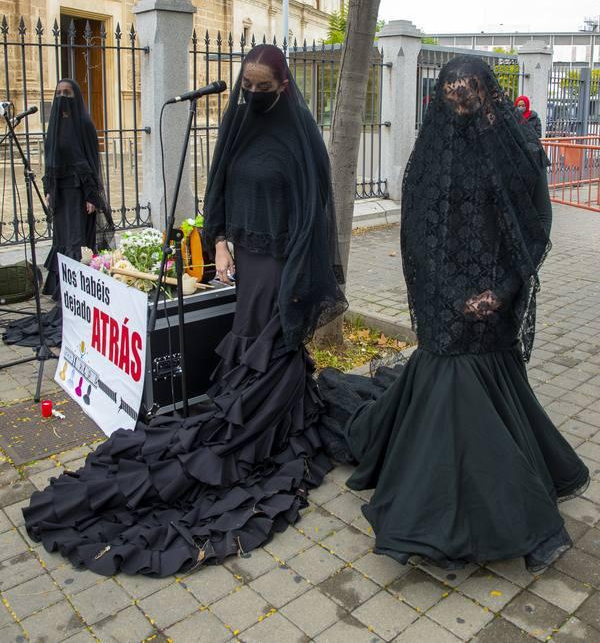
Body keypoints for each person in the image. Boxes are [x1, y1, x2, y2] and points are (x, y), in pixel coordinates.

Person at [23, 45, 347, 577]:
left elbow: (316, 210)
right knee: (248, 334)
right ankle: (274, 412)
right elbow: (218, 185)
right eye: (247, 84)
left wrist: (294, 275)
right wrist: (218, 242)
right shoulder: (238, 122)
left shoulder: (302, 134)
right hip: (244, 259)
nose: (253, 93)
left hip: (282, 262)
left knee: (271, 340)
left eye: (264, 86)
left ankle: (276, 421)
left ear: (284, 86)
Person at [320, 55, 588, 574]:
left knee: (477, 383)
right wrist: (451, 297)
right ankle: (477, 519)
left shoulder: (519, 151)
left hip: (495, 302)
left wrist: (502, 292)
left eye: (470, 92)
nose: (461, 101)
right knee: (457, 384)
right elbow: (417, 237)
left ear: (490, 93)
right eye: (451, 94)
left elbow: (535, 228)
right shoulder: (430, 156)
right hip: (446, 304)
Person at [42, 78, 113, 297]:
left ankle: (77, 288)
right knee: (62, 238)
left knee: (76, 239)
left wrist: (91, 195)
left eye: (68, 93)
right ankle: (60, 287)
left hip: (79, 193)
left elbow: (91, 163)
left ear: (76, 97)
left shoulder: (84, 124)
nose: (62, 97)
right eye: (59, 93)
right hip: (60, 193)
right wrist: (48, 187)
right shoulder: (54, 126)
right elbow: (50, 160)